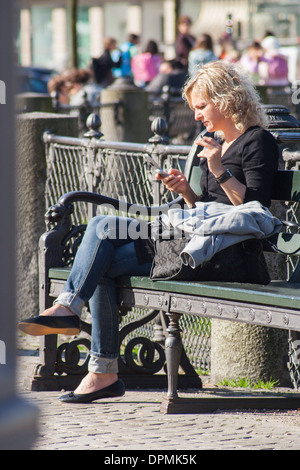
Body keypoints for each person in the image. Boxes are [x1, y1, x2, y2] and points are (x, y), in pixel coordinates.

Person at [19, 61, 280, 403]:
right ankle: (79, 328)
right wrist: (186, 191)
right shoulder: (216, 143)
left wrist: (218, 170)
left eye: (201, 106)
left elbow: (254, 211)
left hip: (223, 256)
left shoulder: (258, 141)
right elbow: (208, 208)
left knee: (100, 264)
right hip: (193, 238)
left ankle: (99, 365)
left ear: (226, 98)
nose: (197, 115)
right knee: (101, 227)